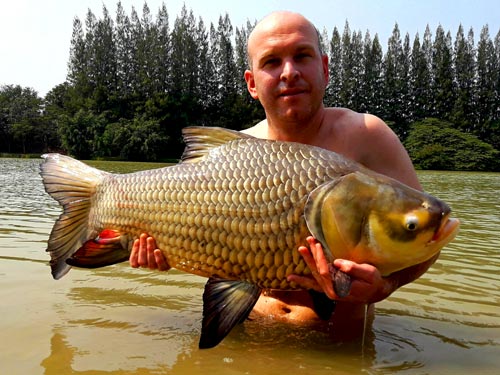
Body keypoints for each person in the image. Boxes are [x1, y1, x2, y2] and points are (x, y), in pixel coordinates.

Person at [129, 11, 438, 337]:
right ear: (251, 83)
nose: (289, 72)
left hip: (334, 344)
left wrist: (386, 286)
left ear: (325, 68)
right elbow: (202, 248)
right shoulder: (232, 155)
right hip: (245, 329)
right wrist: (167, 251)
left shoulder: (367, 135)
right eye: (272, 62)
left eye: (302, 56)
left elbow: (427, 237)